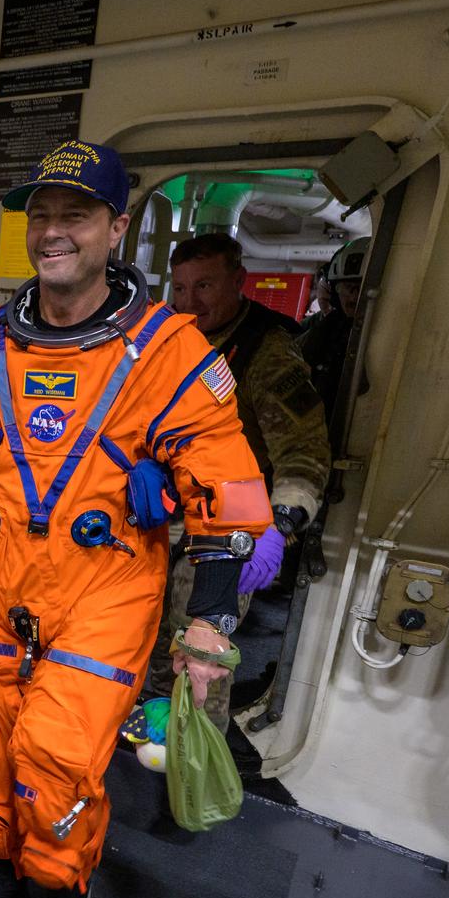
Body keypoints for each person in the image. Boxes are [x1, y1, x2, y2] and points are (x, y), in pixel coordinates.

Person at [0, 141, 269, 898]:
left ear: (115, 228)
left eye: (76, 214)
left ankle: (62, 885)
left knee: (58, 752)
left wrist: (210, 622)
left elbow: (226, 488)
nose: (53, 231)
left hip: (107, 589)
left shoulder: (171, 354)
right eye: (40, 215)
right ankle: (0, 871)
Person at [146, 233, 331, 724]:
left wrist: (278, 525)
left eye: (204, 285)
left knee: (198, 657)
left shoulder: (266, 355)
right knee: (142, 644)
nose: (190, 301)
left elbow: (305, 456)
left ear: (238, 282)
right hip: (153, 520)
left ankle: (193, 774)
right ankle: (146, 748)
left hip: (223, 529)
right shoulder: (165, 344)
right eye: (180, 288)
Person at [296, 236, 371, 415]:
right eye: (347, 286)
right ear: (334, 291)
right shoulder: (322, 332)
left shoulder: (385, 332)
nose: (353, 296)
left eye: (360, 287)